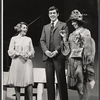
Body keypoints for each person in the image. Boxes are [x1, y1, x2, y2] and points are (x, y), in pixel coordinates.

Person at [60, 9, 95, 100]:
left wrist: (90, 74)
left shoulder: (86, 32)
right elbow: (68, 51)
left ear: (79, 21)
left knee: (81, 85)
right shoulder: (71, 35)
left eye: (74, 21)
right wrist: (64, 39)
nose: (72, 24)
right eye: (72, 22)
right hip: (72, 62)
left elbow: (89, 51)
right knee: (78, 87)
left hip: (81, 61)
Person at [40, 6, 69, 100]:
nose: (52, 15)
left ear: (57, 14)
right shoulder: (45, 27)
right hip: (48, 57)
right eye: (50, 13)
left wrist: (56, 51)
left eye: (54, 13)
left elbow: (64, 40)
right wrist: (46, 51)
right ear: (48, 15)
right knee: (49, 82)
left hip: (58, 56)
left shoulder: (63, 25)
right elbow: (42, 41)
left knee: (61, 81)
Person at [7, 22, 35, 100]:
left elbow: (32, 51)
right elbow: (10, 50)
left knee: (29, 81)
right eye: (24, 28)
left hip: (27, 62)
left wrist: (28, 54)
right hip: (17, 61)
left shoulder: (29, 39)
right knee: (17, 81)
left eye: (26, 28)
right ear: (19, 29)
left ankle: (30, 99)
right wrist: (18, 54)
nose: (25, 29)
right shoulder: (14, 39)